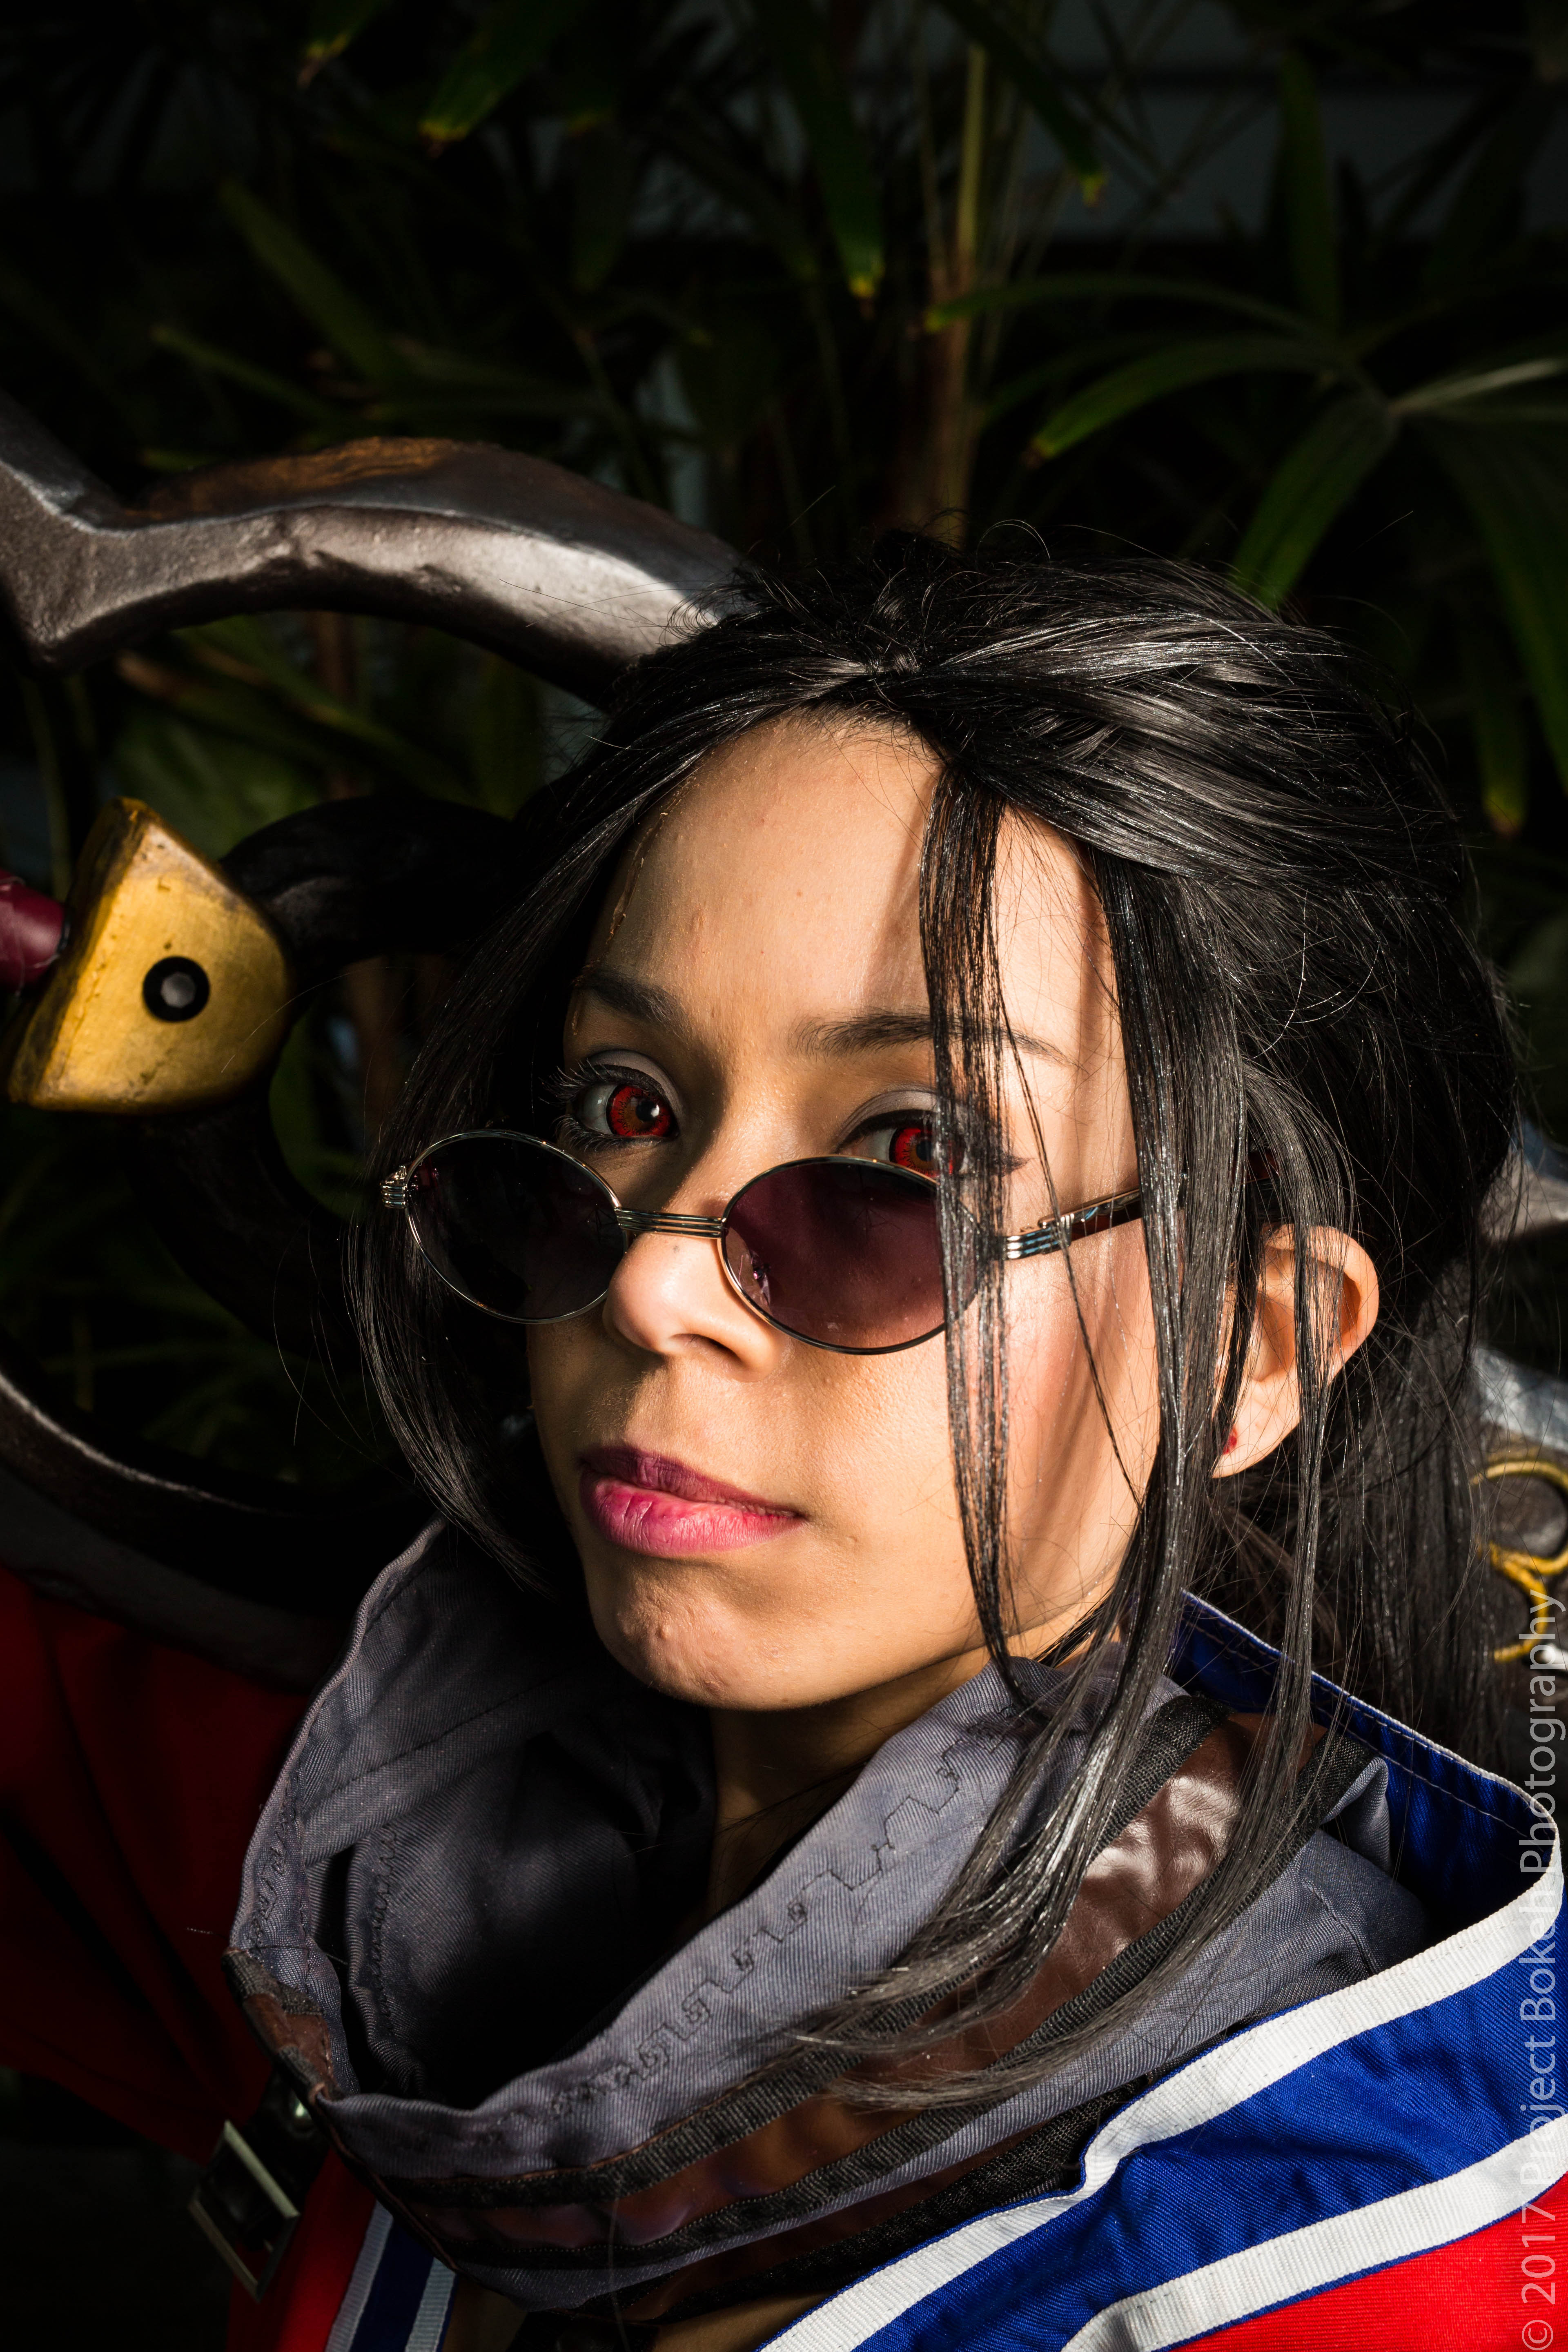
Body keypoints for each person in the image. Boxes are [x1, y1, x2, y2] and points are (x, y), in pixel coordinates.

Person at [0, 536, 1556, 2352]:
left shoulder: (1376, 2280)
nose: (654, 1281)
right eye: (626, 1103)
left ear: (1247, 1347)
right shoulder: (368, 1841)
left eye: (911, 1157)